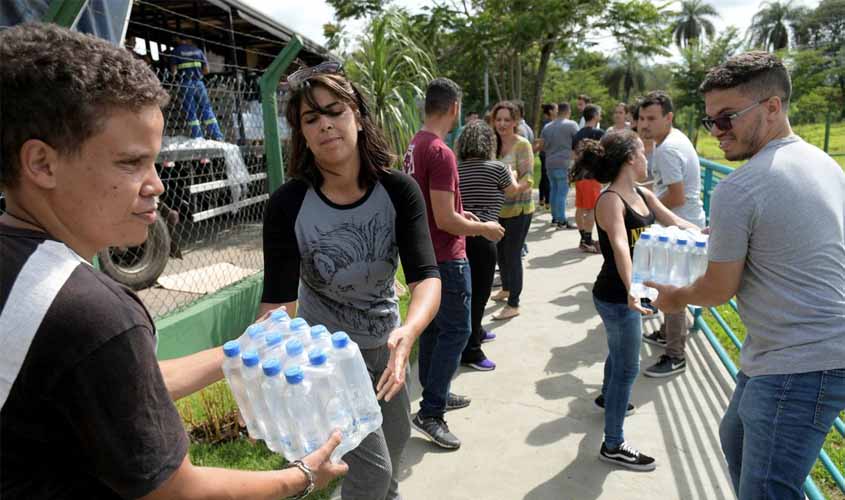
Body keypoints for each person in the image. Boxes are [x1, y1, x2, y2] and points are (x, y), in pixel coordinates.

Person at [0, 23, 346, 499]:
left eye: (153, 163)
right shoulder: (93, 314)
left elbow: (120, 381)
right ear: (42, 164)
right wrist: (300, 476)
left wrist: (236, 352)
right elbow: (177, 491)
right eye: (130, 163)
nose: (157, 184)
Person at [648, 51, 845, 500]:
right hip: (792, 353)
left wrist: (673, 299)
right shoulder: (823, 163)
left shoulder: (742, 186)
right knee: (734, 437)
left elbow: (718, 290)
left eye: (728, 118)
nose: (716, 131)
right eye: (710, 119)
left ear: (772, 107)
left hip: (800, 362)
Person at [258, 66, 442, 499]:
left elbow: (426, 278)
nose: (324, 123)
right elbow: (278, 303)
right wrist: (271, 380)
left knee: (395, 445)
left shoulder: (399, 191)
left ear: (357, 116)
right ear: (302, 133)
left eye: (334, 111)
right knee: (371, 473)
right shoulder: (288, 204)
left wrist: (408, 332)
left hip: (387, 343)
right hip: (329, 361)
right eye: (310, 118)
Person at [577, 130, 699, 471]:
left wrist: (702, 233)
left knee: (619, 355)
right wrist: (633, 289)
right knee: (628, 367)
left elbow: (673, 219)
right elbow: (618, 245)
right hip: (616, 297)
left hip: (629, 294)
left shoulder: (642, 193)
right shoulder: (611, 199)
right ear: (631, 158)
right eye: (644, 153)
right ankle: (613, 444)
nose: (648, 158)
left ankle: (607, 396)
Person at [404, 77, 505, 450]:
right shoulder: (441, 152)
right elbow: (446, 218)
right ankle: (431, 412)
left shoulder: (414, 145)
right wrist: (484, 228)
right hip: (446, 255)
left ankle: (436, 391)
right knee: (458, 332)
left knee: (434, 329)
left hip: (423, 254)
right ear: (454, 108)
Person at [636, 91, 706, 378]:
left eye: (652, 118)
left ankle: (675, 354)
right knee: (669, 288)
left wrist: (645, 206)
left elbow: (675, 196)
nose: (644, 125)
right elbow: (668, 186)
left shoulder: (667, 149)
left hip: (680, 230)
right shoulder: (671, 140)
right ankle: (667, 333)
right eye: (641, 118)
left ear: (668, 117)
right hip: (682, 227)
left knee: (672, 291)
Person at [456, 120, 527, 372]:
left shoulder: (456, 168)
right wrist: (516, 175)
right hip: (485, 236)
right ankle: (471, 350)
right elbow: (513, 192)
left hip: (460, 236)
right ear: (489, 142)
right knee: (479, 295)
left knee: (468, 292)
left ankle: (476, 331)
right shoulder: (497, 168)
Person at [490, 101, 535, 320]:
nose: (502, 124)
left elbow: (529, 177)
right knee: (500, 253)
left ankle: (514, 303)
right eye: (498, 119)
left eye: (507, 119)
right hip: (497, 209)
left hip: (520, 209)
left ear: (516, 121)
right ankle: (506, 287)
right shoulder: (491, 143)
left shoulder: (522, 144)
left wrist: (516, 188)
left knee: (512, 254)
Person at [170, 36, 224, 141]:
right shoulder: (198, 51)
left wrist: (175, 76)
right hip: (199, 83)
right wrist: (197, 73)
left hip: (186, 83)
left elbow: (174, 71)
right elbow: (207, 70)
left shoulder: (176, 51)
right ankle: (217, 135)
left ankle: (198, 137)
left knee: (191, 110)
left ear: (182, 40)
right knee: (207, 109)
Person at [535, 102, 579, 229]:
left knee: (554, 191)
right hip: (564, 162)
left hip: (549, 162)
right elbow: (578, 141)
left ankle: (555, 218)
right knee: (562, 192)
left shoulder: (547, 126)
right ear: (568, 111)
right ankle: (561, 220)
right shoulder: (571, 124)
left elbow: (542, 145)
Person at [571, 104, 605, 252]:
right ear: (595, 115)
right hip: (592, 175)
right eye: (600, 114)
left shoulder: (578, 134)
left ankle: (584, 238)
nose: (601, 116)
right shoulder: (599, 133)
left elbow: (574, 155)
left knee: (580, 207)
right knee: (591, 208)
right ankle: (587, 239)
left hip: (579, 174)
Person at [537, 103, 557, 210]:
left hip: (544, 153)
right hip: (546, 153)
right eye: (556, 109)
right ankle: (548, 202)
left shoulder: (546, 122)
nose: (557, 111)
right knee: (547, 178)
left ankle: (541, 199)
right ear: (551, 111)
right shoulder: (548, 123)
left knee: (544, 176)